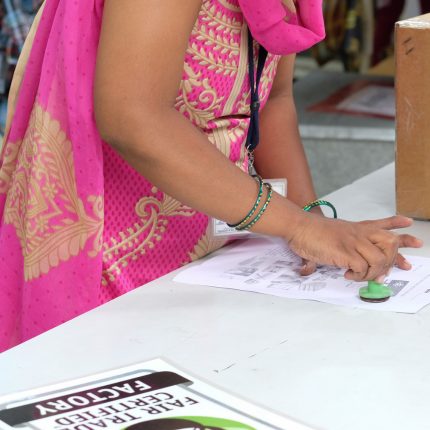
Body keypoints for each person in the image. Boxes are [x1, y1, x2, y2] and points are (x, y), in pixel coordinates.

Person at [0, 0, 423, 353]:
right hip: (110, 258)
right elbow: (133, 116)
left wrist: (317, 225)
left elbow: (272, 99)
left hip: (215, 252)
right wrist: (296, 224)